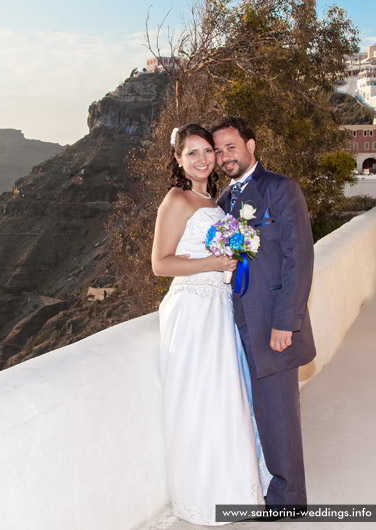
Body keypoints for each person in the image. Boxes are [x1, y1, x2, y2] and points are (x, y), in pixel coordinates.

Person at [152, 124, 266, 525]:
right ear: (179, 159)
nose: (202, 159)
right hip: (193, 312)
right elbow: (160, 263)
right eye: (192, 153)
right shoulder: (177, 199)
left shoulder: (216, 203)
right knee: (198, 401)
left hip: (219, 310)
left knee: (225, 399)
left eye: (207, 152)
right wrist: (214, 263)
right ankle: (201, 498)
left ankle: (233, 491)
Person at [211, 116, 315, 510]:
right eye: (218, 151)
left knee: (278, 414)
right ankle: (268, 488)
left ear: (251, 146)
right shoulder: (224, 200)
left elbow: (299, 258)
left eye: (230, 147)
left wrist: (285, 322)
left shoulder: (280, 189)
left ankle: (289, 500)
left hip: (272, 323)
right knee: (258, 415)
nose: (224, 157)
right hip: (237, 322)